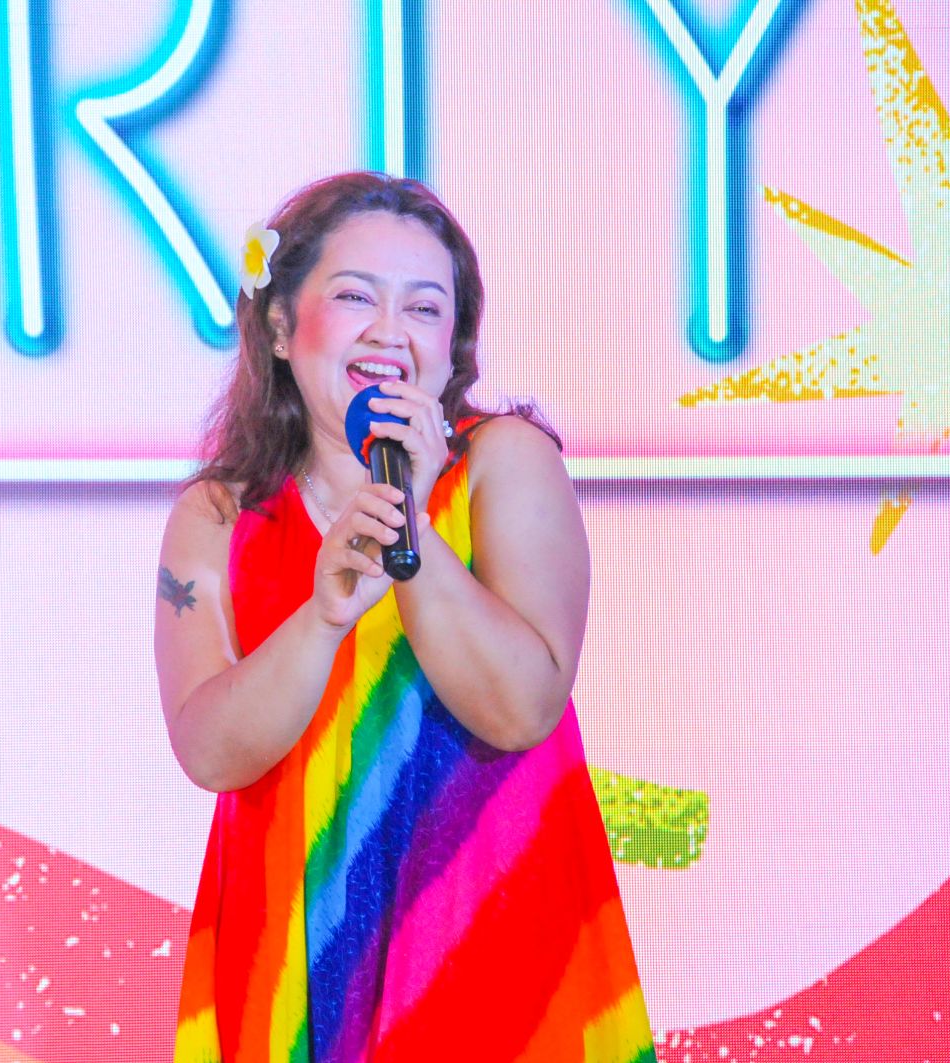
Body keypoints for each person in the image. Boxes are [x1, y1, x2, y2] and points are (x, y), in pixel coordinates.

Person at [155, 172, 654, 1063]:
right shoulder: (219, 514)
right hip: (293, 957)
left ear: (451, 346)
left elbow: (521, 708)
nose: (390, 331)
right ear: (280, 326)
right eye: (356, 296)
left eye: (424, 308)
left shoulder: (505, 463)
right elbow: (209, 751)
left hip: (493, 942)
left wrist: (410, 523)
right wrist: (322, 617)